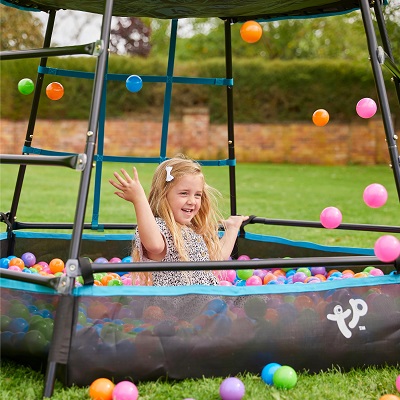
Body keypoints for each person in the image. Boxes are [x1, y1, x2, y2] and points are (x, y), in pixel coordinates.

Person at [109, 155, 248, 286]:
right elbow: (154, 246)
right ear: (163, 195)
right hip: (175, 308)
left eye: (198, 195)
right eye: (184, 193)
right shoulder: (159, 228)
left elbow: (217, 258)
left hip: (207, 305)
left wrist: (232, 228)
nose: (192, 201)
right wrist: (139, 199)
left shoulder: (193, 229)